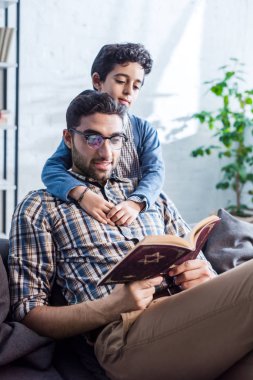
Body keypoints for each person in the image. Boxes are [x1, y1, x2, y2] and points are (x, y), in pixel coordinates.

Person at [9, 91, 253, 380]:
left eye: (115, 139)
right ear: (68, 138)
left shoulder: (151, 198)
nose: (106, 152)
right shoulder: (40, 207)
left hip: (194, 321)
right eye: (93, 138)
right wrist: (110, 306)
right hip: (124, 338)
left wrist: (205, 276)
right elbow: (28, 312)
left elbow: (196, 258)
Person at [41, 42, 164, 227]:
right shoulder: (84, 127)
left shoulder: (144, 130)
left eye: (136, 86)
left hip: (129, 213)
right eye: (121, 81)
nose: (129, 91)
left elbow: (155, 173)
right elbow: (51, 170)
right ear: (97, 81)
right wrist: (83, 195)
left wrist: (135, 203)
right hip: (92, 214)